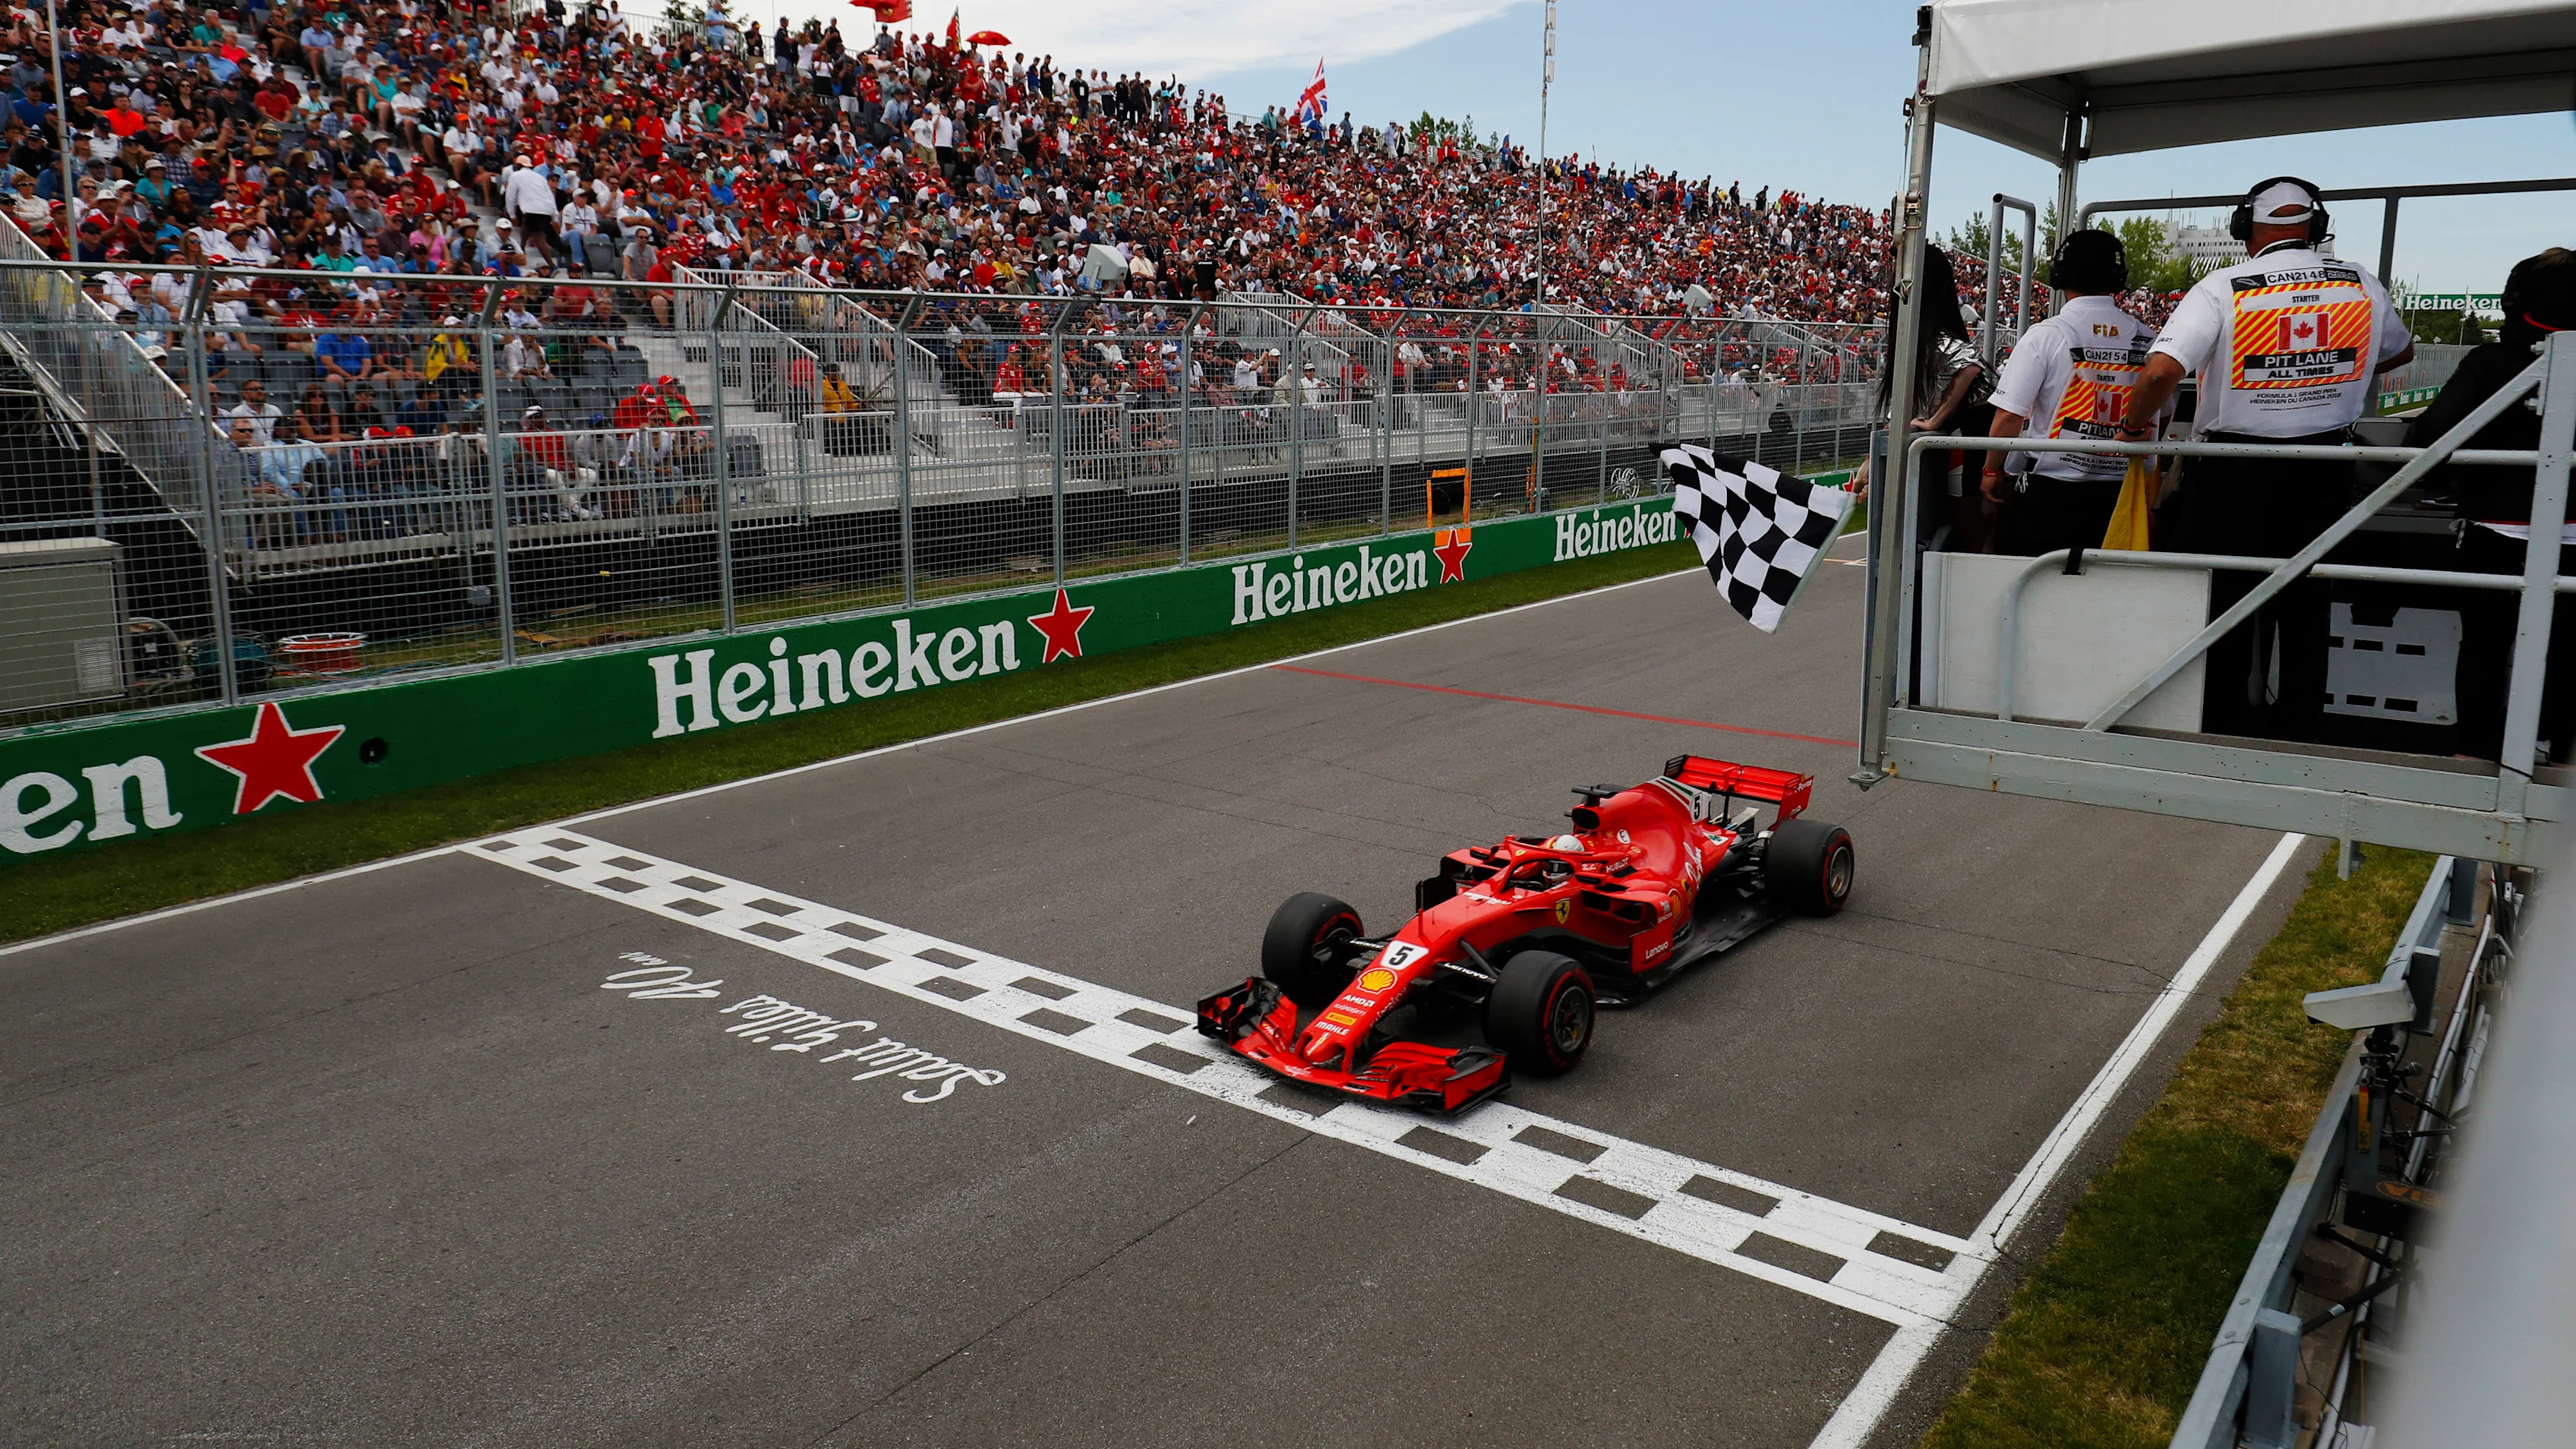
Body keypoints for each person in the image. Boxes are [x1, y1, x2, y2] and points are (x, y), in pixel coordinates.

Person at [2118, 177, 2416, 741]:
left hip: (2233, 471)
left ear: (2243, 226)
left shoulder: (2224, 286)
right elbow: (2400, 350)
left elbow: (2160, 372)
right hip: (2325, 465)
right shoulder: (2360, 283)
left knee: (2217, 601)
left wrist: (2134, 427)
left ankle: (2216, 726)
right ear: (2317, 225)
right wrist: (2330, 378)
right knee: (2308, 604)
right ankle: (2299, 734)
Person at [2412, 248, 2576, 762]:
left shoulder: (2491, 361)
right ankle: (2549, 748)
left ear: (2514, 303)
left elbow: (2429, 438)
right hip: (2573, 533)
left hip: (2494, 526)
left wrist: (2456, 480)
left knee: (2484, 644)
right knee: (2565, 649)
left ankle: (2474, 752)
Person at [1982, 229, 2165, 555]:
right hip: (2122, 490)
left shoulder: (2046, 335)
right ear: (2118, 276)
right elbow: (2160, 410)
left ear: (2060, 274)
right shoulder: (2150, 339)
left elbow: (2009, 416)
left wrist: (1992, 470)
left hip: (2052, 489)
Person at [1851, 245, 1990, 548]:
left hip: (1970, 454)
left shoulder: (1932, 339)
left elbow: (1969, 366)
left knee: (1970, 548)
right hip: (1964, 454)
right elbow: (1901, 416)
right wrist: (1867, 470)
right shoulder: (1919, 342)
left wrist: (1936, 420)